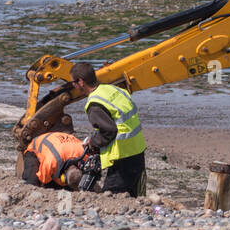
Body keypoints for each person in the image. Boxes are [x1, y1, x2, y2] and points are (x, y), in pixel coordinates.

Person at [68, 61, 146, 196]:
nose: (73, 86)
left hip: (122, 157)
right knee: (133, 196)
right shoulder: (113, 89)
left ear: (81, 82)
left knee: (112, 196)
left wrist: (92, 142)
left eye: (72, 83)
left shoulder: (94, 103)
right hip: (138, 150)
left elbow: (109, 131)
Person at [21, 131, 87, 189]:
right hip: (35, 146)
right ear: (63, 177)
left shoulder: (86, 156)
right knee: (33, 182)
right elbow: (43, 179)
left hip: (58, 139)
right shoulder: (52, 162)